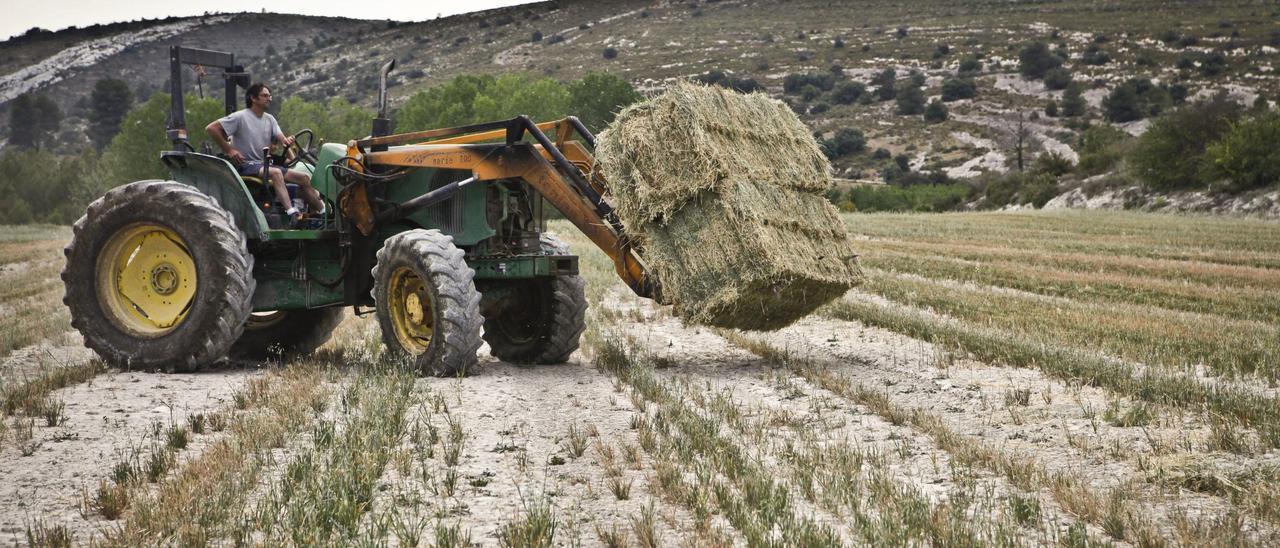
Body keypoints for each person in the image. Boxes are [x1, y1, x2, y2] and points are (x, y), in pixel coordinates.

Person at [206, 83, 323, 221]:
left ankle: (324, 213)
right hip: (246, 165)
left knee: (304, 178)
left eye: (270, 95)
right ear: (253, 98)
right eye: (265, 95)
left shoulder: (270, 119)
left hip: (264, 165)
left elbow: (282, 139)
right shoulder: (240, 117)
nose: (269, 98)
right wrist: (230, 150)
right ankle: (292, 213)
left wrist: (287, 141)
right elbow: (211, 128)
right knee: (276, 172)